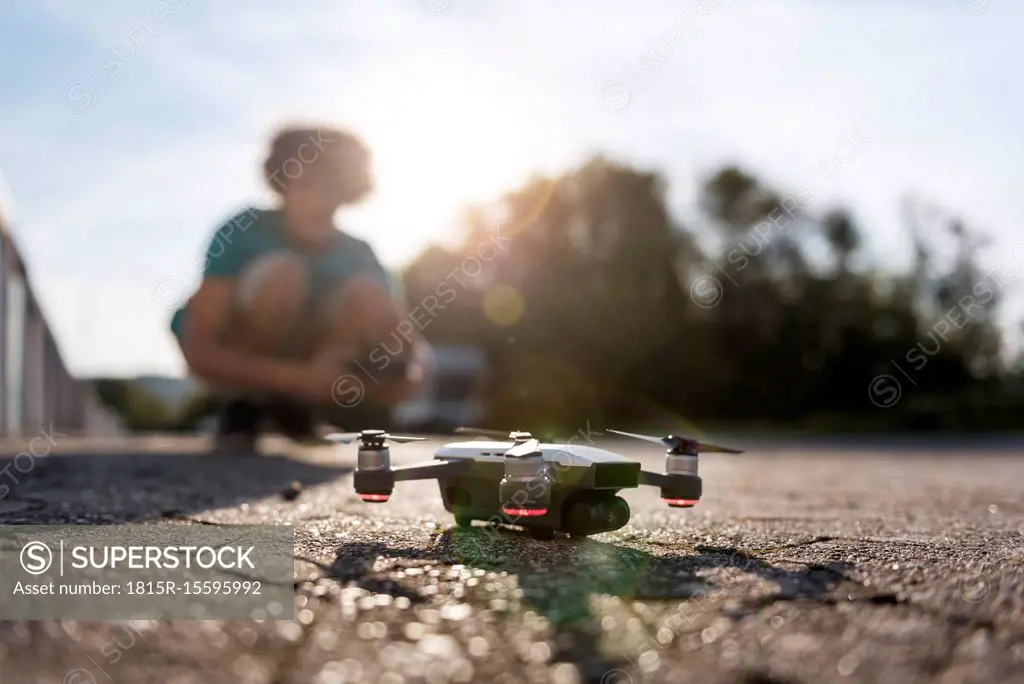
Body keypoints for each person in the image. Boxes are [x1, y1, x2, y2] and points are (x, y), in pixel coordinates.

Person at [170, 124, 423, 452]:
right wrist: (300, 379)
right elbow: (199, 346)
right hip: (247, 349)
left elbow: (411, 353)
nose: (317, 199)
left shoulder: (361, 255)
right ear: (282, 183)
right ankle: (249, 400)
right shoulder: (243, 231)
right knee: (283, 273)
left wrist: (386, 377)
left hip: (318, 360)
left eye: (330, 186)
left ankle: (301, 407)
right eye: (306, 184)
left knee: (368, 293)